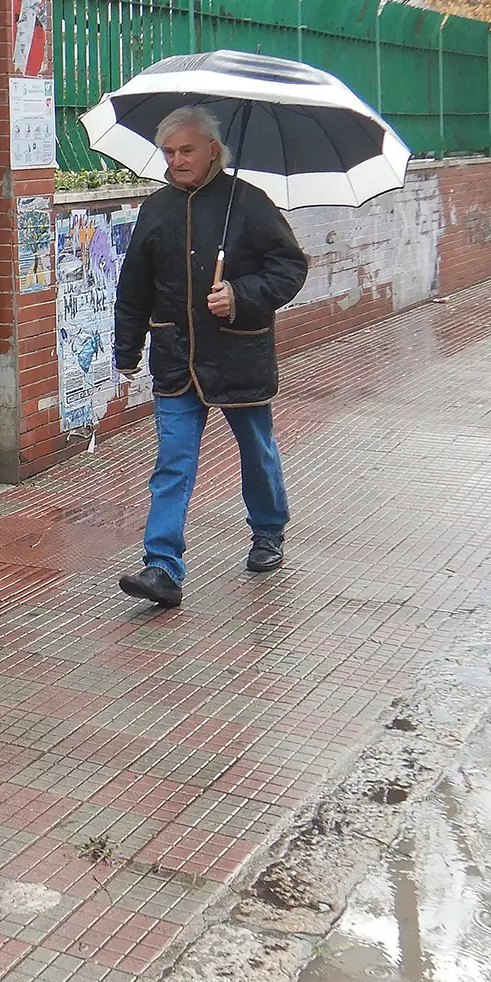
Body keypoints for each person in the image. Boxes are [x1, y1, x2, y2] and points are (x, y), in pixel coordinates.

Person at [113, 106, 309, 609]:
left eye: (186, 150)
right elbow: (134, 285)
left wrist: (240, 294)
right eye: (169, 152)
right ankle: (162, 567)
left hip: (238, 353)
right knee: (172, 463)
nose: (175, 160)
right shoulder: (156, 208)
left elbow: (289, 267)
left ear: (213, 152)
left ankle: (268, 530)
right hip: (176, 358)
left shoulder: (249, 203)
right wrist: (127, 348)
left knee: (256, 450)